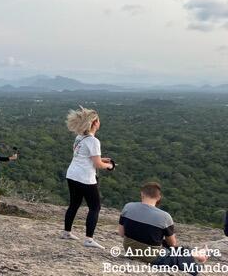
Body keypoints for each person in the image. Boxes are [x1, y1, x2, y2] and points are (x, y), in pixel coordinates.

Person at [118, 182, 208, 275]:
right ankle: (199, 256)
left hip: (130, 250)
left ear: (142, 194)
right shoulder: (165, 217)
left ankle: (198, 253)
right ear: (158, 197)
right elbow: (172, 244)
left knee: (169, 246)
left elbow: (121, 233)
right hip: (152, 257)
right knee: (177, 255)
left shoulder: (128, 206)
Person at [61, 106, 113, 249]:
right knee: (95, 207)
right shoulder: (93, 141)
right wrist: (108, 165)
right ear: (95, 122)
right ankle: (89, 239)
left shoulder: (79, 137)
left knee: (74, 204)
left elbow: (84, 156)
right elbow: (97, 164)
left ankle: (66, 232)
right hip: (85, 177)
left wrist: (102, 159)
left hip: (72, 174)